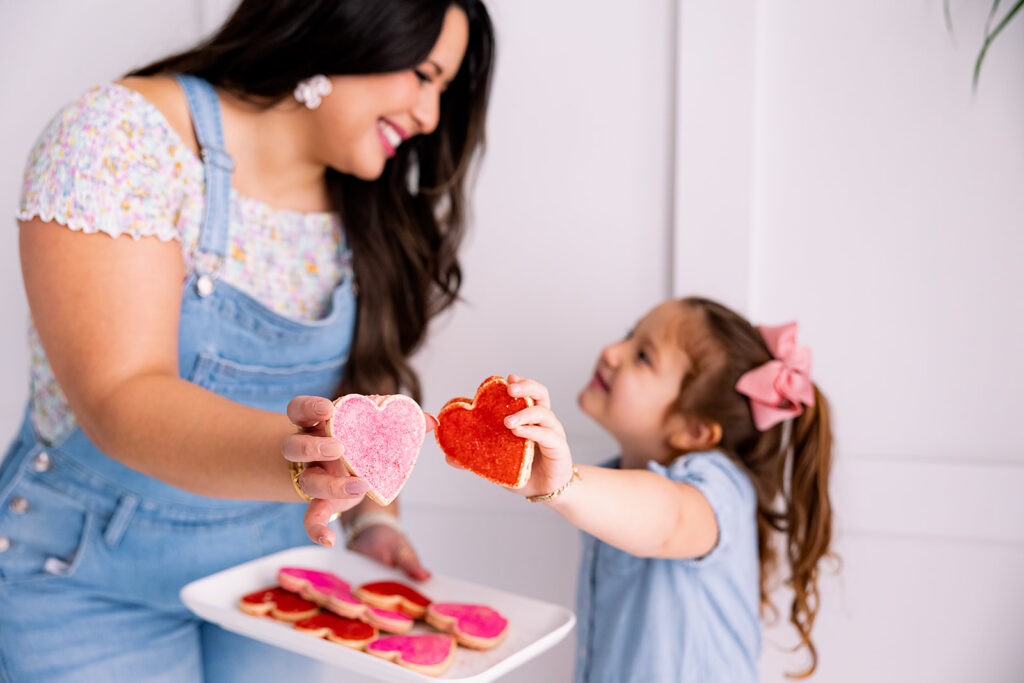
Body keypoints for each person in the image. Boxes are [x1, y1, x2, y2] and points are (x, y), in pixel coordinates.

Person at [1, 0, 494, 680]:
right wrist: (308, 461)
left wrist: (375, 522)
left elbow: (364, 391)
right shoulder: (120, 139)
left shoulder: (367, 202)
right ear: (348, 24)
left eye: (443, 89)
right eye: (424, 73)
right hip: (85, 583)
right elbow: (122, 395)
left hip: (275, 578)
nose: (430, 116)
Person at [472, 297, 834, 682]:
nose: (612, 352)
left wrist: (564, 485)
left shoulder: (721, 486)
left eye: (643, 355)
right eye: (629, 336)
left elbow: (670, 520)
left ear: (694, 430)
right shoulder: (608, 479)